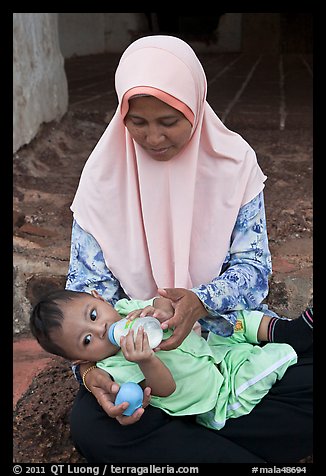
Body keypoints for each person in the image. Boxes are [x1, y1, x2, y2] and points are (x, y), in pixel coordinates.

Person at [64, 35, 313, 463]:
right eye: (137, 121)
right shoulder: (102, 179)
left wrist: (200, 301)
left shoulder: (233, 163)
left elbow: (253, 269)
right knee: (92, 425)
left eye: (169, 120)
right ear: (121, 113)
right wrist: (90, 374)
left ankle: (185, 446)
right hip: (140, 366)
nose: (153, 137)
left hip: (229, 347)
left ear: (196, 107)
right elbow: (85, 300)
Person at [30, 289, 312, 432]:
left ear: (99, 298)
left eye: (93, 315)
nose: (101, 329)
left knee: (231, 322)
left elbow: (161, 302)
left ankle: (291, 332)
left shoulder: (127, 310)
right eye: (87, 341)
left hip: (214, 354)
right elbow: (165, 389)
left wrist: (160, 310)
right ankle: (290, 350)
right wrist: (145, 361)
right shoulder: (112, 370)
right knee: (269, 361)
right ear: (79, 359)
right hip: (217, 395)